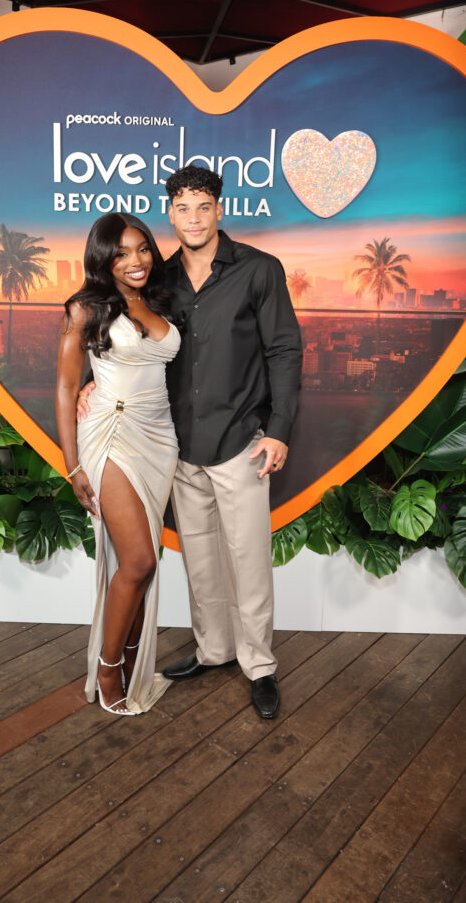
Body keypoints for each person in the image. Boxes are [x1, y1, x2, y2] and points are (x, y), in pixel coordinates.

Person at [80, 166, 302, 719]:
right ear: (171, 214)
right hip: (176, 445)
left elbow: (284, 350)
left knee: (248, 559)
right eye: (183, 208)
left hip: (241, 439)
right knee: (200, 559)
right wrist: (91, 378)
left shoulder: (259, 270)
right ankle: (214, 650)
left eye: (203, 207)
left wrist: (279, 429)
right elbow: (124, 333)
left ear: (219, 210)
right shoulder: (159, 279)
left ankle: (259, 665)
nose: (194, 218)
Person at [55, 212, 180, 716]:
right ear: (103, 258)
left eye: (143, 249)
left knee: (145, 564)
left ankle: (131, 657)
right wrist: (72, 467)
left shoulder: (160, 300)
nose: (136, 261)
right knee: (140, 561)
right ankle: (108, 668)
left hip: (160, 439)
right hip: (110, 434)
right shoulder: (86, 307)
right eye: (122, 253)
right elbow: (67, 385)